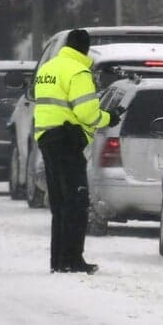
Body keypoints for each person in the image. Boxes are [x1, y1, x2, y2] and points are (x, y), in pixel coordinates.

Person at [33, 29, 120, 274]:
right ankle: (73, 260)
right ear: (85, 48)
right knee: (76, 202)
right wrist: (109, 117)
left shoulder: (48, 68)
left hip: (46, 138)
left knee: (60, 204)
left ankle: (58, 260)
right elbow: (87, 114)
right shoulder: (78, 71)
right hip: (67, 141)